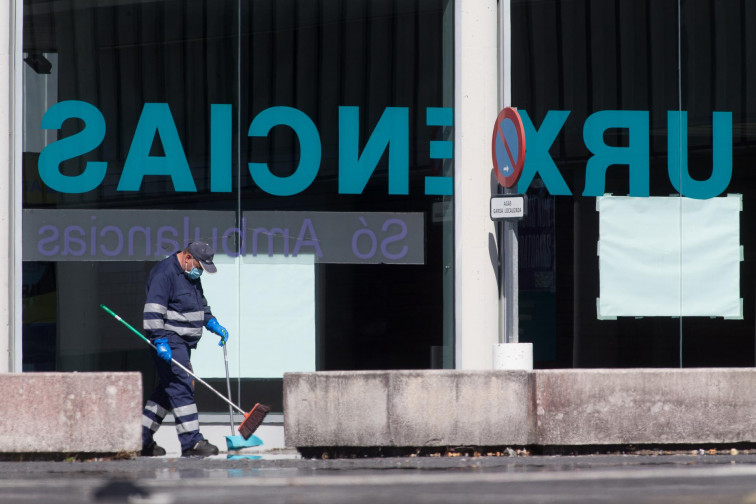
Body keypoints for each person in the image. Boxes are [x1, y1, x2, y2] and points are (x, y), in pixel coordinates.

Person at [140, 241, 230, 457]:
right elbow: (153, 311)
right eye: (199, 266)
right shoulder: (164, 273)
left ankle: (139, 439)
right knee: (182, 386)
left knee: (166, 390)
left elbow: (199, 306)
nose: (200, 272)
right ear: (188, 257)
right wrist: (160, 340)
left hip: (183, 343)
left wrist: (212, 323)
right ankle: (191, 442)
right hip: (169, 339)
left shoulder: (191, 275)